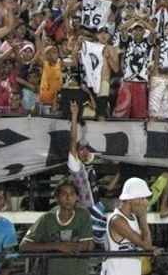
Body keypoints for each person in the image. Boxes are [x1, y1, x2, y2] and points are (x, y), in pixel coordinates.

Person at [20, 181, 95, 275]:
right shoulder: (47, 218)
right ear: (57, 198)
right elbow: (24, 246)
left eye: (72, 194)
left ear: (77, 198)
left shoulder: (82, 215)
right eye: (64, 194)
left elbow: (88, 245)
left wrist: (60, 247)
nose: (69, 197)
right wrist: (57, 246)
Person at [101, 177, 162, 275]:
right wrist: (142, 215)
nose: (145, 202)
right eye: (143, 198)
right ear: (132, 199)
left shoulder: (132, 217)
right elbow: (146, 245)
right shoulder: (117, 220)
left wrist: (151, 248)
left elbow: (144, 245)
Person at [67, 103, 106, 246]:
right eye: (81, 149)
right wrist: (74, 116)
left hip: (97, 205)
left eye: (86, 149)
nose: (85, 151)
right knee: (87, 240)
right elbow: (73, 140)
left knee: (100, 241)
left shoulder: (88, 161)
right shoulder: (75, 165)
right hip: (86, 207)